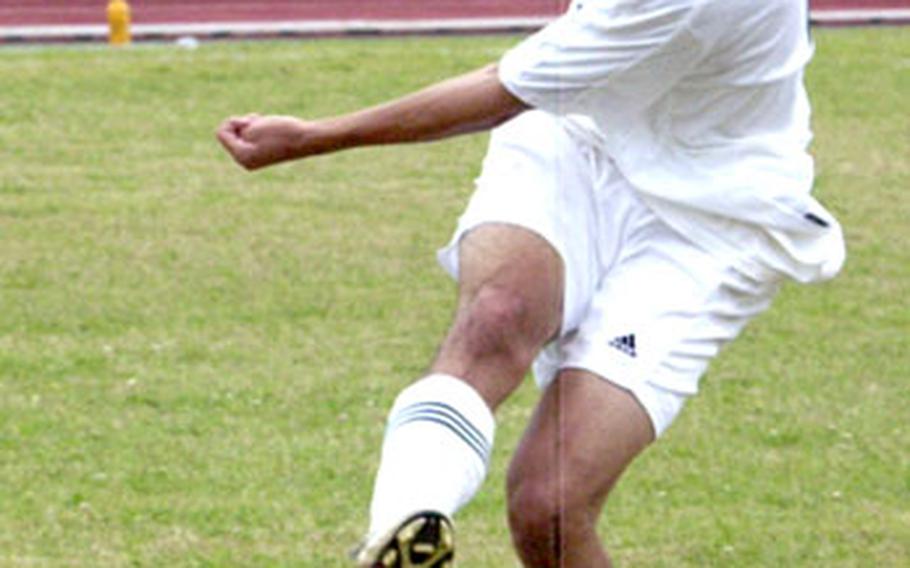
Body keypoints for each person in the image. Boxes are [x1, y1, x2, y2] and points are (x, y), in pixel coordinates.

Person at [217, 0, 845, 566]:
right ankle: (397, 534)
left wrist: (315, 136)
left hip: (712, 217)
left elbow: (499, 92)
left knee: (549, 505)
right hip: (576, 135)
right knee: (497, 314)